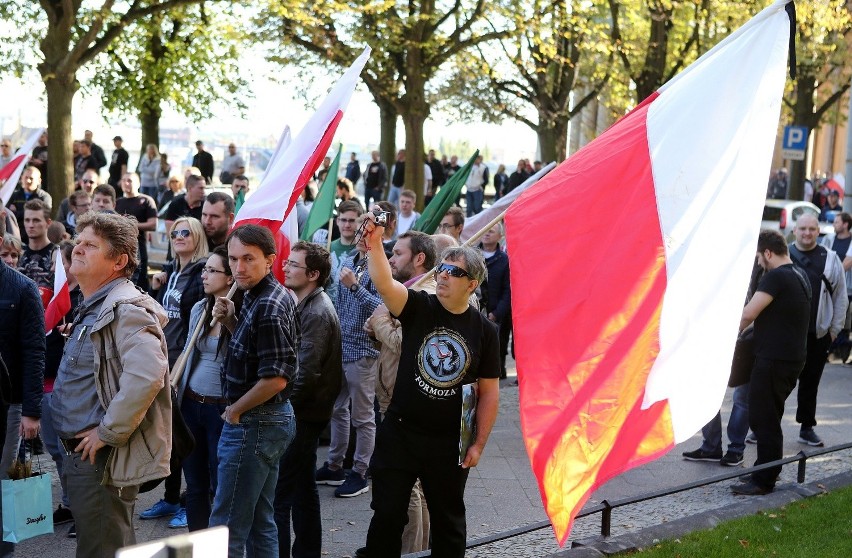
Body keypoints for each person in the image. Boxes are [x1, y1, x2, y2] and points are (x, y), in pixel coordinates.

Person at [359, 213, 500, 556]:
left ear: (472, 284)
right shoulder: (420, 306)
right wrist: (376, 243)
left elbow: (489, 393)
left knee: (449, 524)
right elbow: (385, 285)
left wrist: (478, 443)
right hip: (401, 433)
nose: (444, 276)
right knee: (387, 515)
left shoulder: (485, 331)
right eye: (442, 269)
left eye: (454, 272)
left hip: (449, 442)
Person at [49, 211, 171, 556]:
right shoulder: (95, 305)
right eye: (79, 240)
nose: (79, 248)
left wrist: (107, 431)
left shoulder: (126, 308)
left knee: (102, 548)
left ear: (119, 261)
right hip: (84, 456)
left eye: (91, 245)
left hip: (100, 459)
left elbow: (147, 374)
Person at [209, 224, 298, 557]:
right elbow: (254, 353)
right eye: (233, 258)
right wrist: (232, 320)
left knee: (226, 527)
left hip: (255, 422)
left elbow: (277, 378)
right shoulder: (256, 295)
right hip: (264, 422)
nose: (239, 267)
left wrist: (235, 411)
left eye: (249, 258)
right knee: (261, 520)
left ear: (270, 260)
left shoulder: (271, 305)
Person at [365, 230, 437, 554]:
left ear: (419, 259)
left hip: (403, 402)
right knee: (414, 488)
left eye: (398, 254)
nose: (391, 260)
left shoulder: (427, 294)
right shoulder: (406, 291)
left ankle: (413, 552)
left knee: (407, 489)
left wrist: (380, 322)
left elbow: (406, 345)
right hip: (391, 396)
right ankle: (418, 551)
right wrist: (379, 326)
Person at [731, 230, 810, 496]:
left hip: (774, 360)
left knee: (763, 418)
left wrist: (725, 335)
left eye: (759, 257)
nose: (759, 263)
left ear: (767, 253)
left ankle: (764, 480)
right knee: (769, 417)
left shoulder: (776, 277)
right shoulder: (799, 275)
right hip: (790, 358)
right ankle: (764, 471)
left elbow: (748, 313)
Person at [276, 241, 342, 557]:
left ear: (313, 274)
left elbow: (306, 374)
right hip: (307, 413)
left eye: (293, 264)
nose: (286, 267)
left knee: (279, 495)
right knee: (303, 489)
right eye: (287, 262)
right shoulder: (308, 303)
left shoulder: (316, 310)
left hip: (303, 416)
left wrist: (281, 407)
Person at [174, 245, 243, 532]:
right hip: (191, 405)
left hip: (221, 409)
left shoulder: (242, 312)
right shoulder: (199, 308)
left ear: (230, 279)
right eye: (204, 269)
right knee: (195, 484)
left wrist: (229, 320)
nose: (204, 275)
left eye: (212, 270)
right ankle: (196, 543)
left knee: (221, 484)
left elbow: (242, 353)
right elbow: (191, 354)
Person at [317, 216, 382, 498]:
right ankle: (334, 465)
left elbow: (383, 307)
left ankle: (359, 472)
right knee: (336, 408)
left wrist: (356, 286)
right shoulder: (349, 260)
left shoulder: (381, 267)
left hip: (363, 352)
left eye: (366, 230)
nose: (360, 234)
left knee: (363, 416)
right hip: (342, 347)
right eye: (359, 230)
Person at [0, 237, 45, 558]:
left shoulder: (22, 289)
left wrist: (31, 410)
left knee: (4, 484)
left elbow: (34, 351)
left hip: (8, 404)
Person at [786, 214, 847, 447]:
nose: (807, 233)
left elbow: (840, 297)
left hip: (817, 334)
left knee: (810, 383)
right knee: (777, 382)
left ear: (818, 230)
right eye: (803, 228)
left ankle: (806, 427)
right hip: (786, 335)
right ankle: (764, 425)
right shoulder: (783, 254)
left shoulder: (830, 258)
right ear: (795, 229)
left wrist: (834, 329)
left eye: (812, 228)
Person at [115, 173, 158, 292]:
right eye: (123, 180)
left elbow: (153, 224)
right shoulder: (118, 202)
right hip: (120, 247)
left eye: (129, 180)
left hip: (139, 247)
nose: (126, 183)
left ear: (138, 183)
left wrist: (130, 224)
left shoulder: (146, 201)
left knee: (141, 280)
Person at [479, 223, 512, 378]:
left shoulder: (504, 260)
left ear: (500, 236)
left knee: (498, 346)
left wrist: (496, 313)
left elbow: (508, 290)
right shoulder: (473, 255)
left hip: (497, 314)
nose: (487, 234)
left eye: (491, 231)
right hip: (476, 311)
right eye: (485, 230)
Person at [821, 212, 852, 362]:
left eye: (837, 222)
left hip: (848, 287)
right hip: (831, 286)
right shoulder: (829, 239)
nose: (834, 224)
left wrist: (832, 275)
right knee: (831, 316)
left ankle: (840, 349)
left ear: (846, 225)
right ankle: (834, 349)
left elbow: (847, 263)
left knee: (845, 320)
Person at [6, 166, 52, 244]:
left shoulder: (44, 197)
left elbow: (44, 215)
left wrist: (16, 213)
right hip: (15, 236)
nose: (28, 180)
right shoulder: (13, 196)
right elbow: (7, 214)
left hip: (37, 238)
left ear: (39, 181)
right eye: (26, 177)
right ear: (21, 179)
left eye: (31, 178)